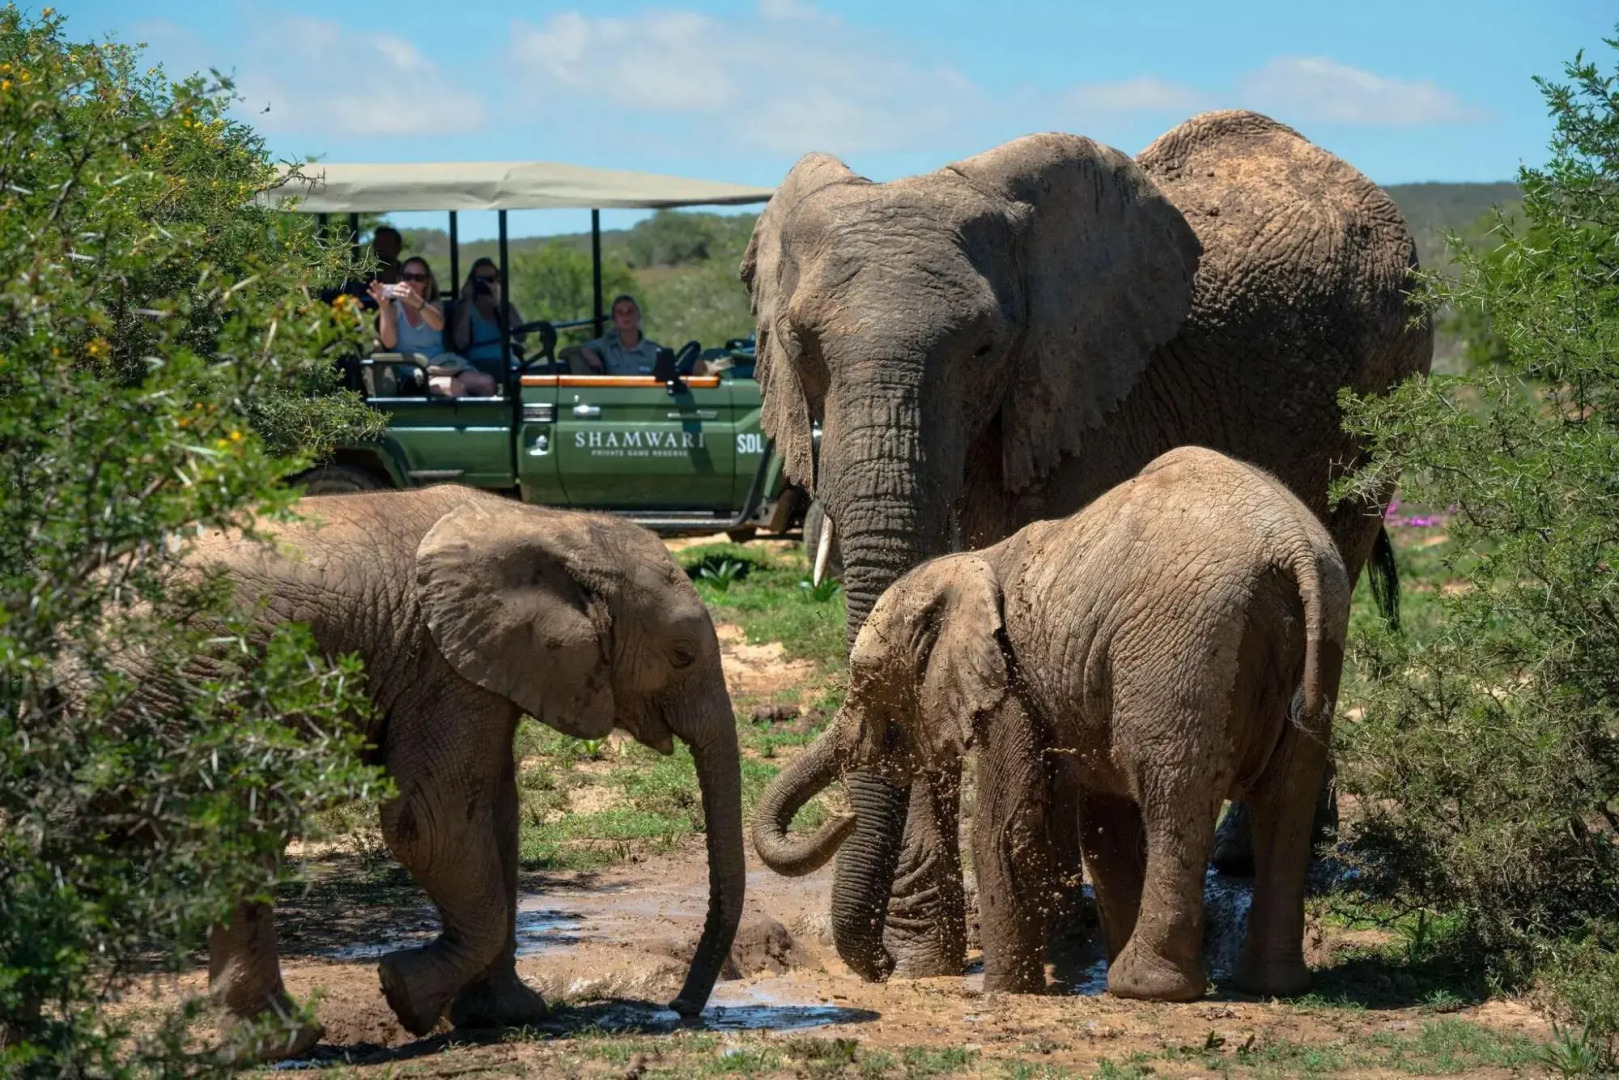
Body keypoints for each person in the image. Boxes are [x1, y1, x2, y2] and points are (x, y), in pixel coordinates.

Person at [368, 257, 494, 397]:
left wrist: (417, 302)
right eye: (407, 277)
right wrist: (384, 307)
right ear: (400, 280)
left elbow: (438, 324)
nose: (412, 282)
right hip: (413, 369)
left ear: (426, 283)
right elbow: (389, 342)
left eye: (419, 278)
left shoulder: (433, 305)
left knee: (486, 383)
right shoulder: (393, 309)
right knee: (454, 388)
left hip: (443, 364)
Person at [452, 258, 526, 392]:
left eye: (490, 279)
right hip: (478, 362)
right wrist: (467, 301)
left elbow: (521, 336)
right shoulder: (464, 307)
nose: (485, 284)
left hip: (507, 361)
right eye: (480, 280)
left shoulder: (504, 305)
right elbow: (460, 343)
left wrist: (499, 303)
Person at [581, 294, 663, 375]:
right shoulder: (605, 347)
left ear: (638, 316)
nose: (625, 315)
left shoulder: (655, 352)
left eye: (630, 311)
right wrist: (589, 355)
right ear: (614, 320)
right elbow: (576, 350)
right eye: (620, 312)